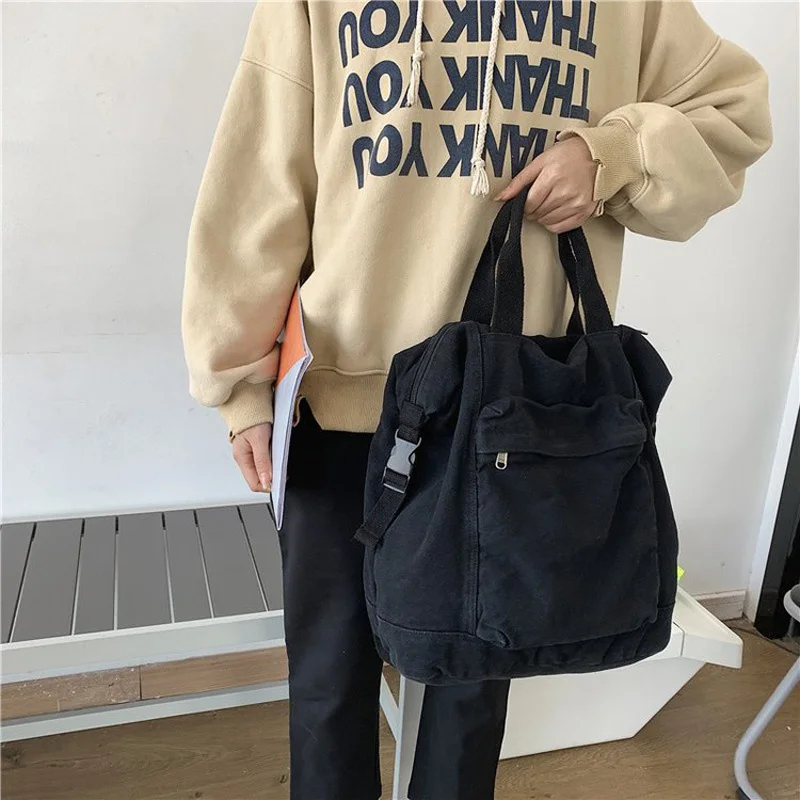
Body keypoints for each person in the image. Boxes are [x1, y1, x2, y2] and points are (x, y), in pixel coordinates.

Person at [182, 2, 771, 797]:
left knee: (473, 687)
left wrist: (610, 155)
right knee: (329, 678)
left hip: (509, 412)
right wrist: (241, 387)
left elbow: (735, 111)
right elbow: (259, 182)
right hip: (339, 399)